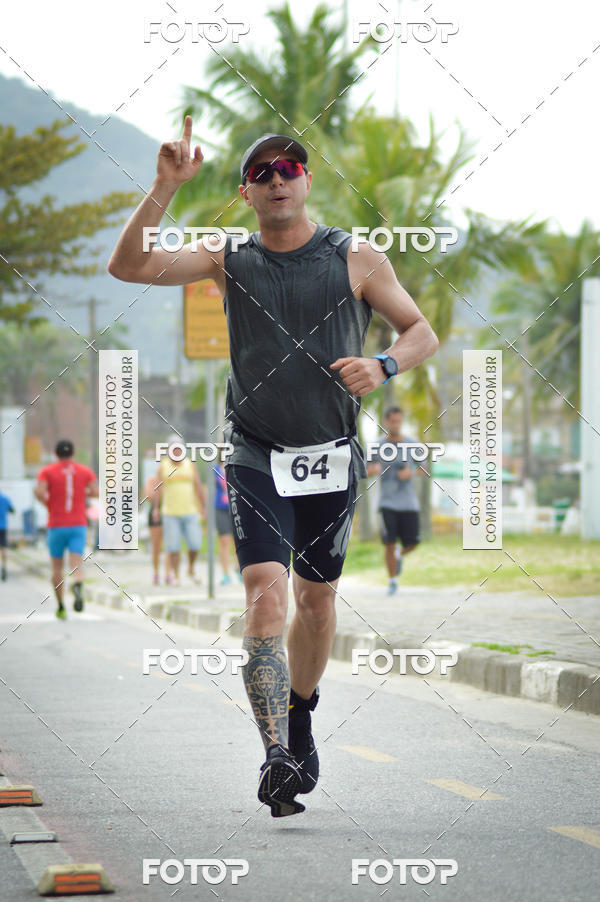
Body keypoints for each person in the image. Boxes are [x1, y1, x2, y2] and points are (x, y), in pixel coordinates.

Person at [107, 119, 438, 817]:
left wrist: (384, 364)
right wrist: (166, 186)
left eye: (290, 167)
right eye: (262, 173)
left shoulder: (357, 259)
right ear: (246, 193)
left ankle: (302, 712)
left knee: (317, 604)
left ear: (308, 181)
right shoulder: (228, 255)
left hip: (330, 458)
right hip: (254, 453)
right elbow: (129, 267)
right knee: (266, 596)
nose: (278, 178)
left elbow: (421, 332)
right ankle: (277, 752)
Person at [34, 440, 98, 618]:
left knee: (56, 568)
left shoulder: (47, 471)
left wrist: (48, 502)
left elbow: (39, 491)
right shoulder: (84, 470)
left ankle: (61, 605)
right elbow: (95, 491)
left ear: (55, 454)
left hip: (56, 524)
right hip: (78, 524)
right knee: (76, 561)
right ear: (73, 453)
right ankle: (78, 582)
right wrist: (81, 493)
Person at [367, 406, 422, 595]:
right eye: (392, 421)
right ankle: (392, 581)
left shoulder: (413, 443)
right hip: (387, 502)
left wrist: (412, 472)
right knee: (389, 543)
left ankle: (400, 555)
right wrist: (371, 471)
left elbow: (424, 468)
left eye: (399, 421)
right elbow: (365, 470)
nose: (396, 424)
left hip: (408, 502)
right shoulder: (377, 445)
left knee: (413, 543)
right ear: (386, 422)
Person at [150, 435, 206, 586]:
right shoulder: (164, 466)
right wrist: (155, 509)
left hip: (190, 511)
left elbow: (198, 486)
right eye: (173, 449)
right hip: (170, 513)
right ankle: (175, 575)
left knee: (195, 544)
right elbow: (158, 489)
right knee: (173, 547)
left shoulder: (190, 465)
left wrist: (204, 507)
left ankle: (191, 568)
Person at [214, 462, 240, 585]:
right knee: (224, 541)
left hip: (236, 507)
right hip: (221, 508)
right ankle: (225, 574)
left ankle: (239, 568)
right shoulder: (215, 469)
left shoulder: (235, 464)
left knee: (238, 540)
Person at [144, 473, 165, 585]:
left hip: (170, 510)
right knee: (156, 546)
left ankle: (168, 573)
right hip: (155, 513)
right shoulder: (152, 480)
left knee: (171, 546)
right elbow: (149, 496)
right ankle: (156, 572)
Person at [0, 490, 15, 581]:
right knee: (3, 548)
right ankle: (4, 567)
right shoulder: (5, 498)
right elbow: (12, 510)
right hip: (3, 526)